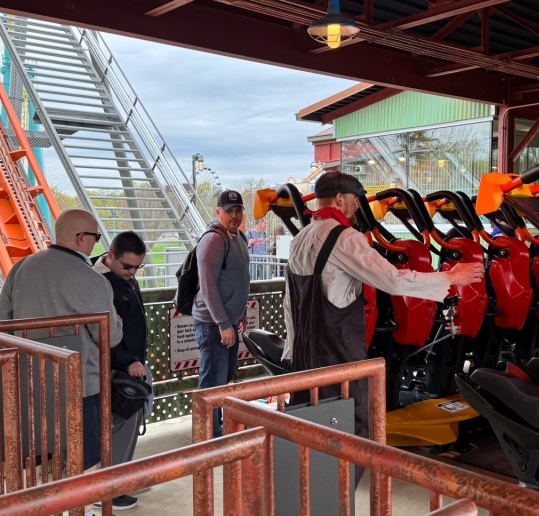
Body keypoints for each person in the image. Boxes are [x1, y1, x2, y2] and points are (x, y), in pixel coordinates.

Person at [283, 172, 483, 477]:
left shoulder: (300, 238)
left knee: (312, 424)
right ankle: (338, 501)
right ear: (340, 199)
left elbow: (290, 302)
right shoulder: (344, 237)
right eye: (354, 199)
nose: (355, 206)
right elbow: (391, 280)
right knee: (354, 426)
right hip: (339, 353)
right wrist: (450, 278)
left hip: (305, 354)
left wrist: (291, 351)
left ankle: (315, 500)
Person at [0, 208, 121, 516]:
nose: (96, 245)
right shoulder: (91, 280)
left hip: (27, 379)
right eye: (95, 238)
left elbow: (2, 320)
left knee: (31, 454)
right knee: (87, 455)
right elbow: (110, 336)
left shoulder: (21, 269)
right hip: (79, 383)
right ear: (81, 238)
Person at [93, 231, 150, 511]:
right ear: (111, 256)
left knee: (128, 424)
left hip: (132, 365)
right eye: (127, 266)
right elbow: (101, 332)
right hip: (116, 367)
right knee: (117, 426)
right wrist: (127, 360)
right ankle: (111, 489)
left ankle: (121, 479)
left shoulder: (120, 276)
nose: (132, 272)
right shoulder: (99, 283)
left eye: (138, 267)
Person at [193, 189, 250, 436]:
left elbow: (239, 279)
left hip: (228, 321)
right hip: (213, 324)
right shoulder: (213, 240)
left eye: (238, 210)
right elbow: (207, 285)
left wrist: (240, 313)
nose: (234, 215)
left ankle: (215, 429)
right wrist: (222, 323)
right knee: (212, 384)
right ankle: (207, 434)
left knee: (222, 379)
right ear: (218, 212)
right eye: (229, 211)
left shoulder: (239, 238)